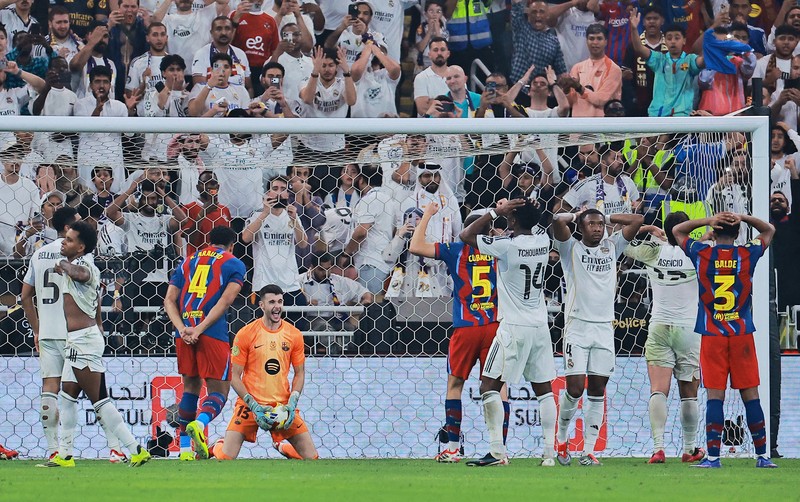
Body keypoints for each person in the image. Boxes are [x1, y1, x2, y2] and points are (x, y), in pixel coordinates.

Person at [21, 207, 129, 464]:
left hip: (47, 331)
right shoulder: (79, 255)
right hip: (77, 332)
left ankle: (54, 450)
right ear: (70, 225)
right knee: (95, 391)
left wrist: (36, 328)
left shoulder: (39, 254)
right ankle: (116, 448)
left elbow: (25, 296)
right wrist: (99, 324)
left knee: (51, 389)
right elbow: (93, 295)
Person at [39, 221, 151, 467]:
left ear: (80, 247)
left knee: (99, 400)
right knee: (67, 396)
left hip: (84, 341)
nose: (64, 242)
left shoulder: (84, 264)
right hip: (77, 340)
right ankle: (66, 455)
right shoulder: (77, 263)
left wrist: (64, 265)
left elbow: (82, 275)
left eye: (69, 240)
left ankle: (135, 449)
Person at [673, 211, 778, 468]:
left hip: (713, 335)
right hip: (741, 334)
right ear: (738, 233)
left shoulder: (701, 254)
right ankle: (763, 456)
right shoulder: (747, 254)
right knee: (751, 396)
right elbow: (769, 231)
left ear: (716, 232)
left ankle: (713, 457)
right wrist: (742, 216)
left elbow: (678, 231)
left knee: (714, 397)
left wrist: (708, 221)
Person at [457, 198, 556, 467]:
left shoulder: (506, 246)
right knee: (544, 390)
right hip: (539, 325)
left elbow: (466, 235)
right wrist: (526, 210)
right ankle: (549, 453)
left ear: (511, 220)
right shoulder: (543, 241)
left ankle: (496, 450)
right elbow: (538, 222)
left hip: (513, 327)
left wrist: (494, 212)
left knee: (488, 385)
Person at [409, 203, 508, 463]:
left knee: (455, 386)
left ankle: (452, 449)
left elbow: (415, 246)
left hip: (465, 328)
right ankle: (500, 449)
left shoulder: (456, 250)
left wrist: (428, 215)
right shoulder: (500, 250)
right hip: (494, 326)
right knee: (500, 388)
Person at [552, 208, 643, 466]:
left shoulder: (612, 246)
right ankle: (561, 440)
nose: (596, 228)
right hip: (577, 327)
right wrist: (575, 216)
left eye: (599, 224)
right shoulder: (570, 249)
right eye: (591, 224)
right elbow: (557, 220)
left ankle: (589, 451)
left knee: (597, 389)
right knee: (575, 388)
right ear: (580, 227)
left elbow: (637, 220)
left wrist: (609, 217)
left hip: (604, 328)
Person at [622, 212, 705, 464]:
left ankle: (658, 448)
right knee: (688, 393)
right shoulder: (698, 252)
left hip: (659, 326)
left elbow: (621, 242)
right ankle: (689, 449)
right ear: (687, 231)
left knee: (658, 390)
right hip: (689, 329)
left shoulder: (652, 251)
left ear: (665, 230)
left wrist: (649, 229)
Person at [164, 226, 246, 461]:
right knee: (220, 389)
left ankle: (185, 450)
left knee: (190, 388)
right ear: (232, 245)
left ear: (210, 242)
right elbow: (226, 301)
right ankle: (200, 424)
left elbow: (169, 299)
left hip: (184, 331)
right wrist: (200, 329)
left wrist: (182, 329)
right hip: (211, 332)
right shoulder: (234, 263)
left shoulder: (188, 261)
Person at [211, 284, 319, 461]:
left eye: (280, 301)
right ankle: (217, 445)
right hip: (250, 406)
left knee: (311, 458)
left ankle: (281, 446)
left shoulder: (294, 335)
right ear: (261, 305)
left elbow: (299, 373)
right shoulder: (246, 334)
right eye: (271, 302)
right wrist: (252, 404)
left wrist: (292, 402)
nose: (277, 306)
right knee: (225, 458)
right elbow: (234, 376)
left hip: (282, 406)